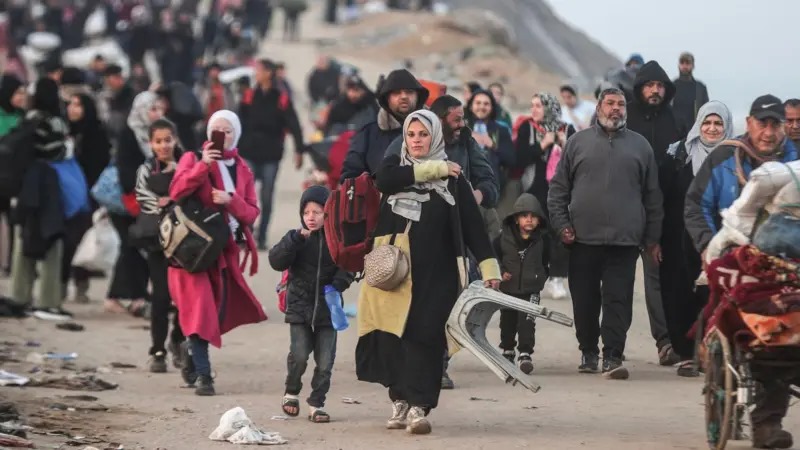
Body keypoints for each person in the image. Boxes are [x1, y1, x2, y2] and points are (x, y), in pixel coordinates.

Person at [355, 109, 501, 435]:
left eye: (423, 135)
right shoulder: (395, 170)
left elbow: (474, 228)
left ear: (434, 136)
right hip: (391, 274)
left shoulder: (455, 181)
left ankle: (419, 406)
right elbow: (384, 180)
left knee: (426, 336)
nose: (417, 141)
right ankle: (399, 399)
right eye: (411, 135)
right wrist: (435, 168)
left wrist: (489, 267)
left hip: (437, 274)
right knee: (392, 336)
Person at [685, 95, 798, 449]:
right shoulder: (724, 158)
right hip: (733, 255)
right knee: (757, 326)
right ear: (749, 123)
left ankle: (767, 420)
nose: (769, 132)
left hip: (786, 260)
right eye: (762, 123)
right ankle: (762, 420)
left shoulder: (794, 162)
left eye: (776, 124)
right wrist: (709, 246)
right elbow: (695, 204)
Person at [548, 87, 663, 380]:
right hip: (582, 239)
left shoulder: (641, 146)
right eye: (610, 103)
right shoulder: (577, 143)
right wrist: (562, 226)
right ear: (598, 107)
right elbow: (558, 190)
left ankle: (613, 355)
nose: (616, 109)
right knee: (584, 301)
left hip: (625, 241)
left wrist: (651, 238)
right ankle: (588, 351)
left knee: (618, 300)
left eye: (621, 104)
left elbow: (653, 196)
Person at [169, 109, 267, 396]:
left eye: (228, 131)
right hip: (194, 251)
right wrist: (203, 166)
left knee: (214, 312)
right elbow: (177, 191)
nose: (222, 135)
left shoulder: (242, 168)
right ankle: (204, 376)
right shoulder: (192, 158)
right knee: (200, 310)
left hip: (226, 251)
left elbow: (251, 213)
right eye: (217, 130)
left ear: (236, 134)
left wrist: (230, 200)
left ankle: (189, 350)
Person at [268, 185, 354, 423]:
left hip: (328, 310)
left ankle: (316, 403)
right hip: (299, 307)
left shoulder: (337, 239)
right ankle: (291, 391)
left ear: (328, 214)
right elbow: (276, 260)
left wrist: (338, 284)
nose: (311, 217)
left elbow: (349, 266)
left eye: (317, 212)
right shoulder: (295, 237)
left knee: (325, 362)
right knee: (299, 355)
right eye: (306, 212)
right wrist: (295, 240)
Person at [659, 101, 733, 377]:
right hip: (677, 240)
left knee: (716, 296)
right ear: (698, 125)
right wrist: (655, 238)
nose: (712, 129)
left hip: (721, 239)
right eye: (707, 123)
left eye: (718, 124)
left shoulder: (735, 158)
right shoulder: (679, 155)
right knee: (680, 296)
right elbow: (661, 198)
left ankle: (714, 353)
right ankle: (687, 354)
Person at [11, 78, 89, 321]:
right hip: (47, 187)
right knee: (52, 239)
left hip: (27, 189)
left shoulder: (27, 119)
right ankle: (48, 301)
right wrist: (68, 145)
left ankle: (19, 297)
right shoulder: (53, 121)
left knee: (25, 240)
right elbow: (54, 152)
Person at [624, 60, 681, 366]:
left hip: (661, 214)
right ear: (640, 88)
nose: (655, 90)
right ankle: (612, 346)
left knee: (656, 279)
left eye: (659, 86)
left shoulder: (675, 120)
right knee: (618, 281)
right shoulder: (626, 117)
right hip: (625, 210)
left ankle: (665, 342)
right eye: (649, 85)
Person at [134, 119, 186, 373]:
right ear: (150, 144)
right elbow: (142, 196)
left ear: (175, 139)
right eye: (158, 141)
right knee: (160, 297)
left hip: (186, 242)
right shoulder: (146, 169)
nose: (164, 146)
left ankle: (178, 339)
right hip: (157, 242)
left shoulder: (187, 164)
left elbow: (194, 191)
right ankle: (157, 350)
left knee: (185, 297)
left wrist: (173, 199)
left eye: (168, 140)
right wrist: (166, 203)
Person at [238, 59, 306, 250]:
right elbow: (238, 123)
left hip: (271, 154)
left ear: (269, 73)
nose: (256, 74)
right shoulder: (249, 96)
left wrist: (299, 150)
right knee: (247, 195)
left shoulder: (281, 99)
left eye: (259, 70)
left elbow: (294, 124)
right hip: (249, 151)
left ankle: (262, 236)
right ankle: (247, 232)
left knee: (267, 195)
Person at [107, 91, 164, 315]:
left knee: (141, 246)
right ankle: (122, 296)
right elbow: (126, 172)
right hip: (130, 201)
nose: (157, 113)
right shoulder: (129, 133)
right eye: (153, 109)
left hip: (148, 202)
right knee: (132, 246)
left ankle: (136, 295)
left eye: (159, 109)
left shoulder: (156, 135)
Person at [515, 93, 576, 300]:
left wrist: (564, 143)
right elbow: (519, 158)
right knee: (534, 234)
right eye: (532, 105)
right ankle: (534, 275)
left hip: (560, 191)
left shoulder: (567, 129)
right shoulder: (527, 128)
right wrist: (542, 145)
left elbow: (578, 158)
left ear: (550, 108)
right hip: (533, 189)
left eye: (538, 106)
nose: (533, 110)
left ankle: (557, 278)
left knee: (560, 233)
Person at [339, 69, 429, 180]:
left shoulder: (437, 130)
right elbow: (350, 175)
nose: (403, 96)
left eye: (409, 92)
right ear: (387, 99)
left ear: (418, 96)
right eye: (396, 93)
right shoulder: (368, 134)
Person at [494, 193, 549, 374]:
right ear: (516, 219)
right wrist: (501, 271)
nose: (529, 220)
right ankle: (508, 350)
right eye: (525, 216)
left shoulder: (543, 241)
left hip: (531, 289)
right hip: (508, 288)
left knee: (527, 323)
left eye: (534, 216)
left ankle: (525, 354)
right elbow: (493, 257)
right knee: (507, 320)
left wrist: (540, 277)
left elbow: (547, 261)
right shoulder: (502, 239)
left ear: (539, 221)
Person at [64, 94, 111, 304]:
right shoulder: (65, 131)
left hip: (88, 195)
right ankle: (62, 285)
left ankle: (81, 285)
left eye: (77, 105)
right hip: (66, 194)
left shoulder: (96, 133)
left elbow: (99, 164)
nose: (72, 109)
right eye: (70, 105)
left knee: (82, 240)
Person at [463, 90, 515, 193]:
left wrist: (493, 145)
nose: (482, 107)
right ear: (471, 106)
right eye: (478, 103)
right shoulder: (462, 128)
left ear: (492, 108)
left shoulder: (501, 130)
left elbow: (511, 160)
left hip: (491, 186)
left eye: (486, 104)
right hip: (464, 183)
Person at [0, 75, 26, 274]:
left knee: (14, 221)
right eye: (17, 93)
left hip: (16, 178)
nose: (21, 97)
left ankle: (12, 263)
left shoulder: (24, 117)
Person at [671, 52, 709, 137]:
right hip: (673, 132)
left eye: (687, 63)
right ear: (679, 65)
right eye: (682, 63)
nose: (684, 66)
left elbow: (706, 112)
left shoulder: (700, 88)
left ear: (693, 65)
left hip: (695, 133)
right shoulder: (671, 86)